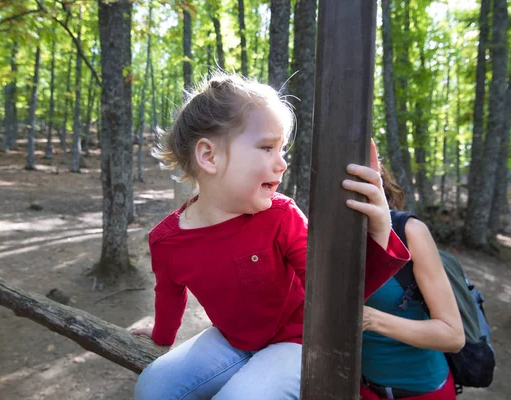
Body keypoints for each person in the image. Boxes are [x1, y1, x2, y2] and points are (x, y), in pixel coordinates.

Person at [131, 73, 410, 400]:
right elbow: (169, 295)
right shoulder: (167, 242)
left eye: (282, 150)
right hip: (231, 338)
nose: (282, 164)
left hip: (296, 342)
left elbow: (335, 295)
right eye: (267, 148)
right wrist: (162, 336)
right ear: (209, 156)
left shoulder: (281, 216)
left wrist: (379, 231)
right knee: (152, 387)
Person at [359, 166, 465, 400]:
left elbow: (453, 336)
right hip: (362, 389)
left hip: (420, 391)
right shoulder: (325, 235)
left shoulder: (409, 232)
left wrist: (371, 319)